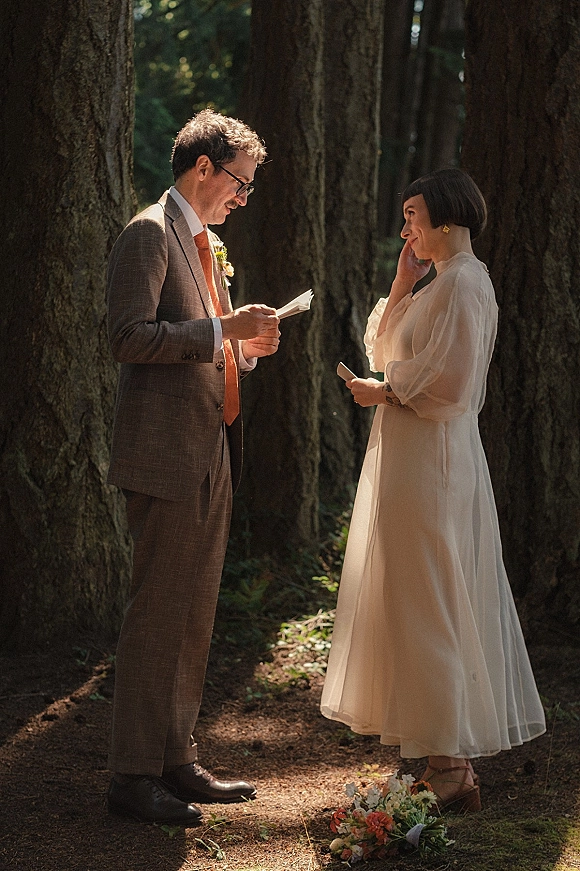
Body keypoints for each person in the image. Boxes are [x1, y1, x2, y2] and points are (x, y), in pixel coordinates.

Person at [320, 168, 545, 812]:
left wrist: (381, 392)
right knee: (412, 596)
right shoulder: (439, 284)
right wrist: (400, 284)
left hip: (436, 463)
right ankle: (437, 756)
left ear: (445, 218)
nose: (407, 227)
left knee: (433, 599)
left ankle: (450, 764)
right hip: (410, 460)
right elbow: (385, 346)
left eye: (414, 214)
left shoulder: (468, 283)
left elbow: (450, 386)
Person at [105, 109, 280, 825]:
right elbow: (127, 336)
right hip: (165, 453)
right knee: (157, 615)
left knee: (195, 613)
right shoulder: (149, 232)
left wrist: (242, 351)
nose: (243, 198)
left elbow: (206, 345)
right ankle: (132, 774)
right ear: (202, 167)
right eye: (239, 182)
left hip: (212, 445)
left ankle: (175, 757)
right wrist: (219, 330)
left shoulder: (205, 243)